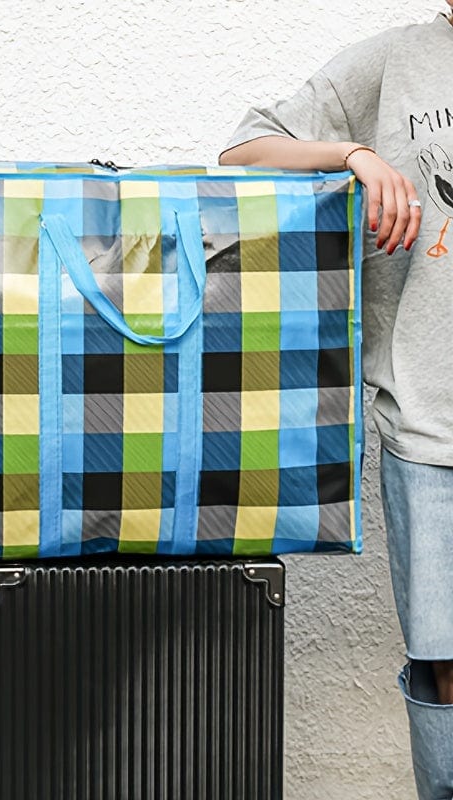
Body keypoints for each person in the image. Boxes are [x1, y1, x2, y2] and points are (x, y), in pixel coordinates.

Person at [219, 5, 453, 798]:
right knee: (445, 670)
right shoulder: (395, 61)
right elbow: (245, 149)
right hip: (431, 429)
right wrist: (354, 155)